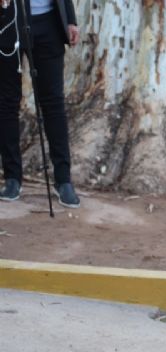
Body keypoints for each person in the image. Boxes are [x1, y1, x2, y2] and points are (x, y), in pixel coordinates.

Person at [0, 0, 80, 207]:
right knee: (7, 102)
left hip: (50, 23)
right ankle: (12, 178)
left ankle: (63, 179)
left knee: (54, 103)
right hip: (8, 21)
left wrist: (70, 20)